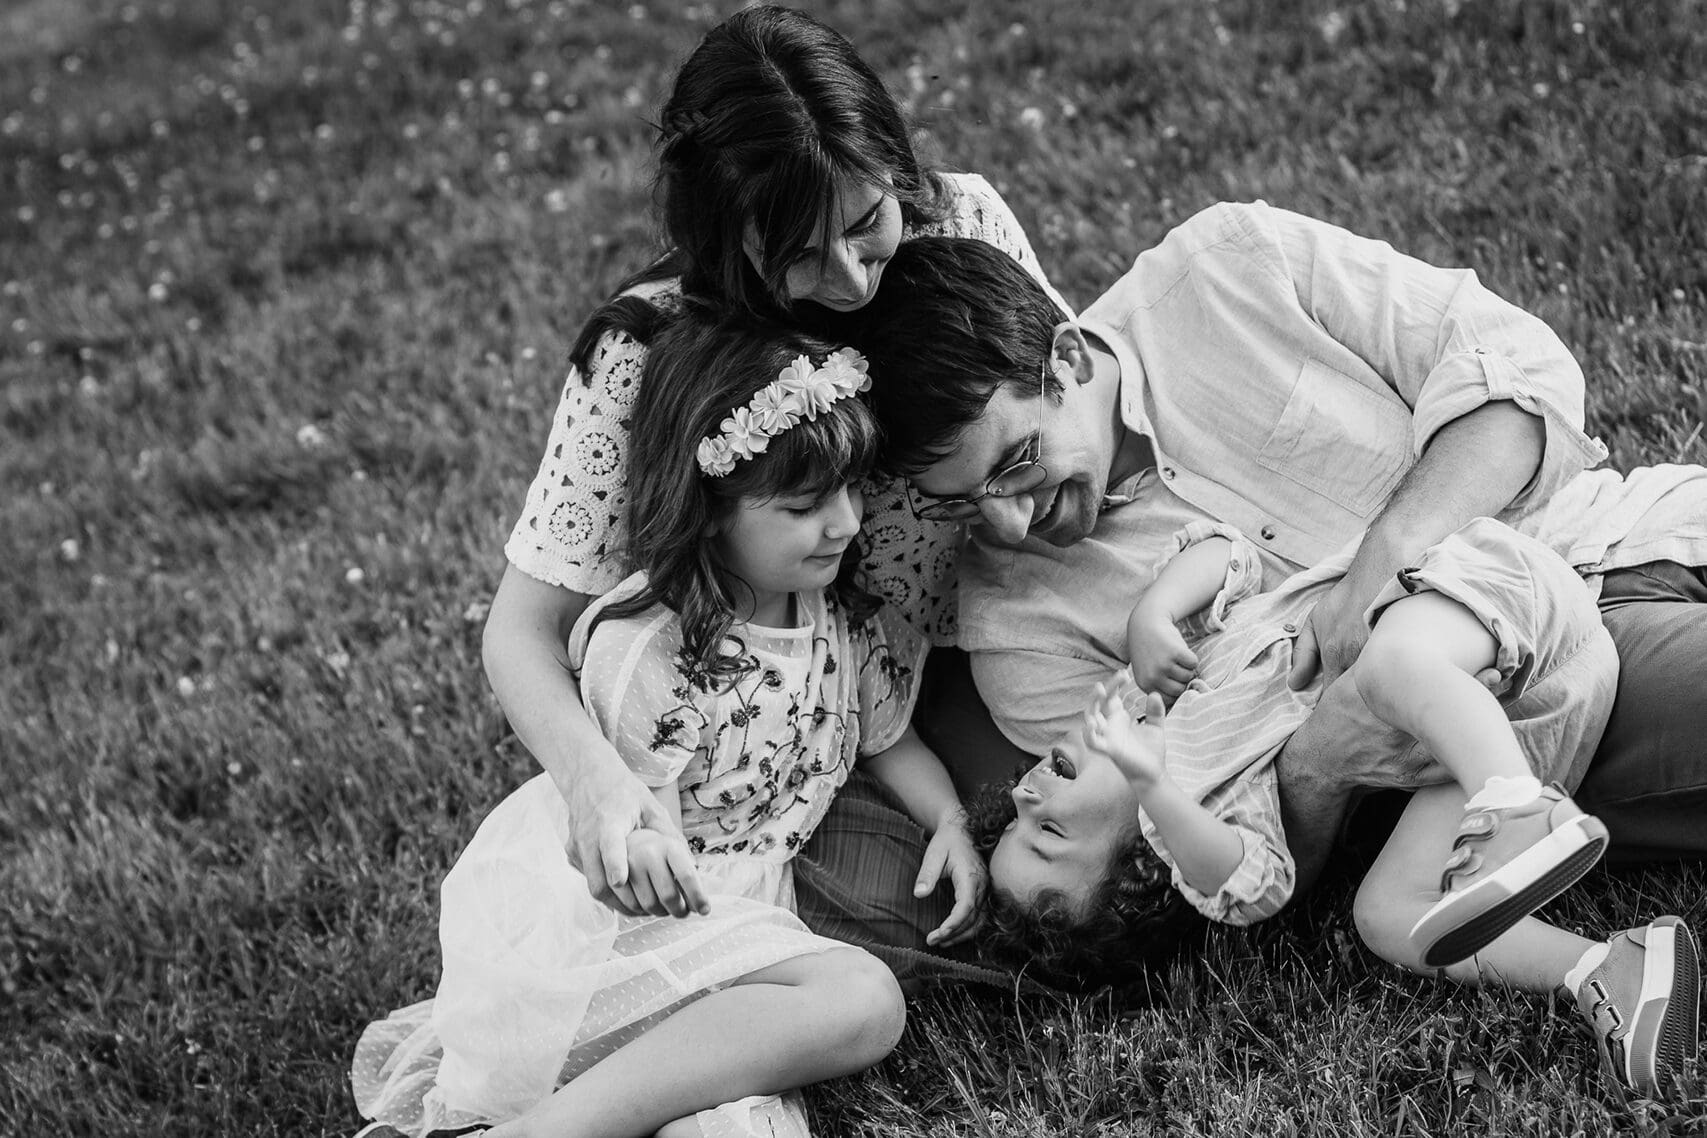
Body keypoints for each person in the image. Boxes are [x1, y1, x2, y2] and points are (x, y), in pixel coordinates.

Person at [851, 215, 1707, 900]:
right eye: (962, 501)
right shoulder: (1018, 634)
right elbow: (1178, 850)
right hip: (1531, 695)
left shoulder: (1226, 268)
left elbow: (1519, 373)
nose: (1006, 523)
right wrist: (1322, 760)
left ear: (1066, 359)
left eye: (1015, 463)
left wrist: (1384, 557)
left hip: (1619, 523)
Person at [486, 4, 1065, 985]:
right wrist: (597, 785)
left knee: (1103, 838)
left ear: (895, 164)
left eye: (867, 223)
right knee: (1015, 908)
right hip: (811, 714)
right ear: (722, 237)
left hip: (1007, 625)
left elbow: (1063, 411)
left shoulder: (962, 221)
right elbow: (521, 632)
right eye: (796, 252)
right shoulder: (648, 352)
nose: (849, 280)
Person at [352, 315, 986, 1138]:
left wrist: (949, 820)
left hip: (750, 909)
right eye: (803, 505)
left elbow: (889, 741)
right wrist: (652, 867)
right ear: (711, 510)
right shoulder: (655, 650)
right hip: (637, 927)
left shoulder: (841, 616)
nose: (844, 523)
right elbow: (634, 844)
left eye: (851, 489)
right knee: (863, 999)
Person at [963, 514, 1701, 1098]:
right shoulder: (1216, 805)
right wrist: (1155, 786)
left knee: (1384, 669)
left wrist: (1153, 611)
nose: (1024, 794)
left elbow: (1228, 552)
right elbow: (1243, 884)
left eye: (1015, 814)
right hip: (1530, 713)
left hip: (1486, 598)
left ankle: (1516, 807)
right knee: (1386, 916)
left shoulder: (1154, 676)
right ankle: (1610, 969)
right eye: (1046, 830)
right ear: (1143, 868)